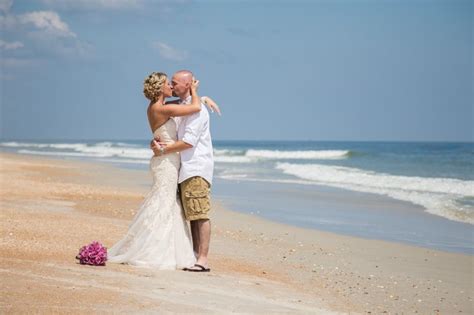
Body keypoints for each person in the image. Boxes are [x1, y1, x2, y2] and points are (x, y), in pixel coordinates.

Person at [107, 72, 206, 270]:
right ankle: (155, 251)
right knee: (164, 203)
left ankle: (162, 248)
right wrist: (195, 91)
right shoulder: (164, 108)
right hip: (167, 161)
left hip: (164, 160)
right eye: (167, 83)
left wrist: (203, 98)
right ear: (160, 88)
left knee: (165, 202)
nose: (171, 85)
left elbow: (187, 104)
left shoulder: (154, 108)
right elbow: (194, 107)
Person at [151, 70, 215, 272]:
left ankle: (202, 259)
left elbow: (188, 141)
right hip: (183, 167)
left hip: (196, 166)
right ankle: (195, 256)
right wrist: (202, 97)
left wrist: (163, 149)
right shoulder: (181, 106)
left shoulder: (197, 111)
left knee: (200, 213)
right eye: (170, 82)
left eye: (176, 83)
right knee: (191, 214)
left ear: (188, 85)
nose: (172, 85)